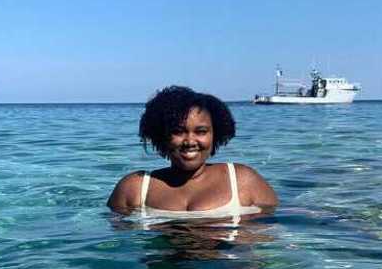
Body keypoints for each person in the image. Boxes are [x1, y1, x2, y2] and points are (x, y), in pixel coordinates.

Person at [108, 86, 279, 221]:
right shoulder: (134, 189)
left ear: (215, 134)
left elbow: (275, 236)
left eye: (201, 131)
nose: (190, 141)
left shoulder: (244, 181)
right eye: (178, 131)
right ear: (161, 135)